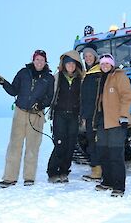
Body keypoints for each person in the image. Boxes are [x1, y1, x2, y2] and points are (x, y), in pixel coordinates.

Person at [0, 50, 54, 188]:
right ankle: (9, 178)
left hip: (36, 115)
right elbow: (14, 90)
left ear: (45, 62)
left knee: (32, 147)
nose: (39, 62)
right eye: (37, 59)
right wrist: (4, 83)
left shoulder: (49, 78)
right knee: (15, 145)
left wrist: (41, 104)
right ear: (33, 60)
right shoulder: (23, 73)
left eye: (42, 60)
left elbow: (49, 97)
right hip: (20, 112)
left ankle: (29, 177)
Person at [93, 53, 131, 197]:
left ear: (112, 64)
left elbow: (127, 96)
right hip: (103, 122)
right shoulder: (101, 78)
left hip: (116, 121)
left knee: (116, 154)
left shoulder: (119, 76)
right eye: (102, 63)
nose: (104, 66)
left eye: (107, 63)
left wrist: (123, 116)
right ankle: (108, 181)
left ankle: (119, 186)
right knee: (103, 153)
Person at [47, 50, 84, 183]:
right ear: (64, 64)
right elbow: (49, 93)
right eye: (68, 64)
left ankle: (64, 171)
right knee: (60, 143)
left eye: (73, 64)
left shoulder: (81, 79)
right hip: (60, 115)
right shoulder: (57, 77)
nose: (71, 66)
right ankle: (52, 172)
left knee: (70, 144)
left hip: (74, 115)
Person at [80, 46, 102, 182]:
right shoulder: (87, 74)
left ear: (95, 56)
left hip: (98, 115)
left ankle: (99, 171)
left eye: (90, 56)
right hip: (88, 115)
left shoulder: (99, 72)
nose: (87, 58)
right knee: (91, 142)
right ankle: (96, 170)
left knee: (97, 143)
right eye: (85, 56)